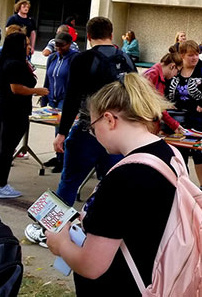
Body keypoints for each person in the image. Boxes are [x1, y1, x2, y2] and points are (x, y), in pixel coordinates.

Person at [44, 73, 177, 294]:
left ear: (109, 119)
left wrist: (61, 244)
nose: (94, 133)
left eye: (93, 126)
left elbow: (91, 265)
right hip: (155, 280)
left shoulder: (123, 178)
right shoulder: (168, 153)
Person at [51, 17, 137, 207]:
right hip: (118, 131)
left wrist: (62, 132)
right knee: (114, 185)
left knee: (69, 181)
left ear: (88, 36)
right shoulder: (127, 60)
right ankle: (107, 230)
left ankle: (53, 228)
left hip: (88, 128)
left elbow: (72, 98)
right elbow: (136, 97)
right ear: (111, 34)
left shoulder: (82, 59)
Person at [0, 32, 49, 199]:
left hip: (4, 107)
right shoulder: (15, 64)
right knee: (6, 148)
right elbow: (16, 88)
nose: (29, 47)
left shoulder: (6, 61)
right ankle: (0, 186)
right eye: (26, 44)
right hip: (13, 109)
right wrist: (36, 91)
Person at [165, 40, 202, 196]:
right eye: (190, 55)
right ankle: (183, 184)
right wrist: (169, 104)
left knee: (199, 152)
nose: (194, 58)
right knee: (179, 152)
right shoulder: (175, 70)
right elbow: (166, 90)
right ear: (182, 55)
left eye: (197, 54)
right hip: (180, 119)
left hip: (201, 118)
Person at [41, 32, 79, 173]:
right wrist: (45, 96)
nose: (58, 48)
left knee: (62, 129)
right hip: (53, 97)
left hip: (65, 98)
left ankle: (64, 159)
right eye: (56, 45)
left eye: (62, 45)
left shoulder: (73, 58)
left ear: (69, 44)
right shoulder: (52, 58)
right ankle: (59, 155)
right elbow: (48, 77)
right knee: (56, 129)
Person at [142, 52, 184, 135]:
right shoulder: (152, 75)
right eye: (177, 71)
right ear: (172, 66)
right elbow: (152, 104)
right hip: (146, 124)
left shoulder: (157, 76)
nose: (176, 75)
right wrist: (174, 124)